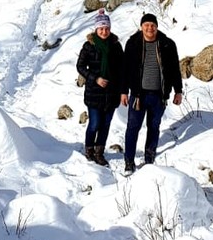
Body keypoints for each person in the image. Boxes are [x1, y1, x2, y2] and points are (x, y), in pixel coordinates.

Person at [119, 12, 182, 174]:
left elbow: (175, 69)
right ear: (141, 27)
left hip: (159, 96)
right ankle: (129, 161)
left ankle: (149, 158)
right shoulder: (133, 43)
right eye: (146, 25)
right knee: (133, 128)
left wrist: (178, 90)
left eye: (152, 25)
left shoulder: (167, 44)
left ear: (157, 27)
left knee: (154, 127)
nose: (149, 28)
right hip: (138, 96)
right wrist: (123, 91)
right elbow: (125, 69)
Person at [76, 11, 124, 165]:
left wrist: (122, 90)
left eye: (106, 28)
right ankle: (89, 149)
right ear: (96, 29)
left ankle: (99, 152)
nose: (104, 31)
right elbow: (80, 66)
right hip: (94, 92)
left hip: (112, 92)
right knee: (95, 123)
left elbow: (122, 69)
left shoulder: (116, 46)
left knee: (105, 124)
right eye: (101, 28)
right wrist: (95, 78)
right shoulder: (89, 46)